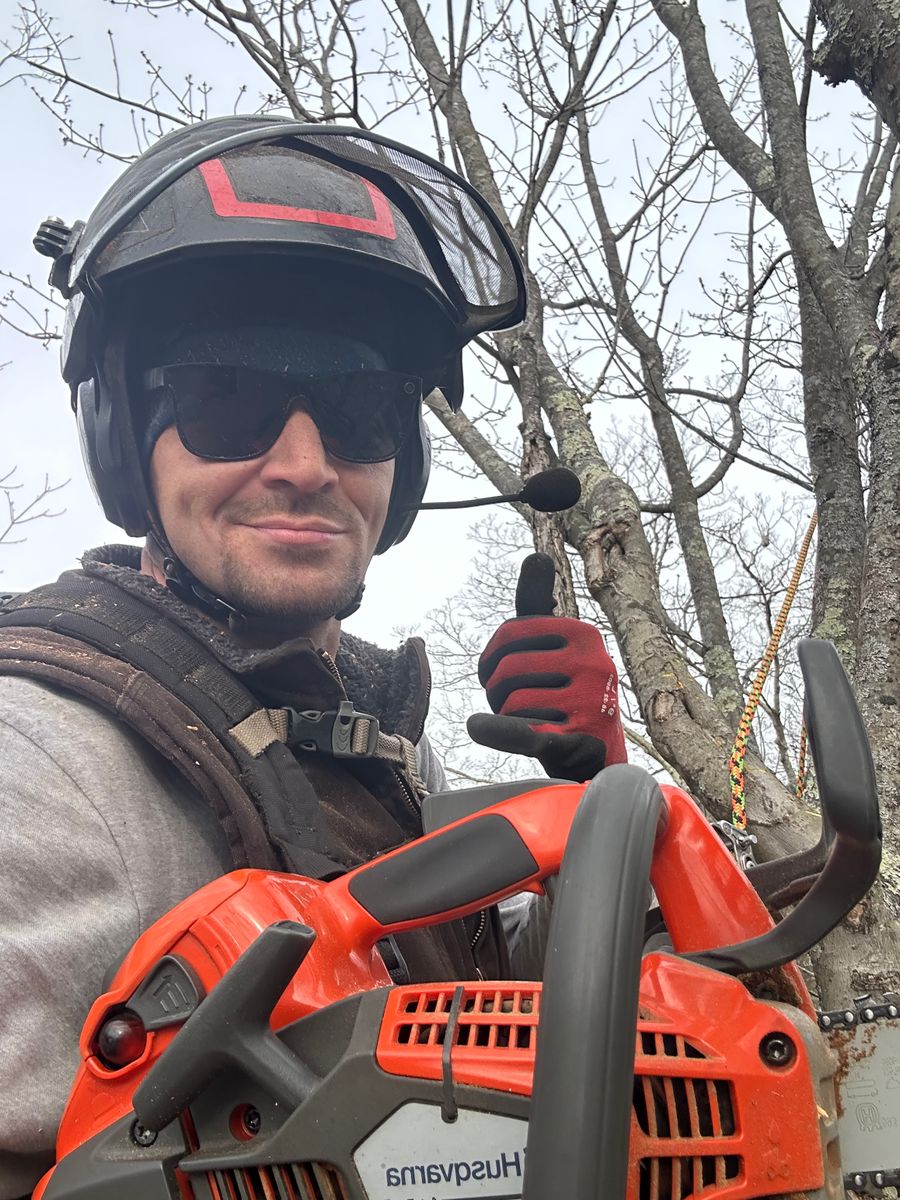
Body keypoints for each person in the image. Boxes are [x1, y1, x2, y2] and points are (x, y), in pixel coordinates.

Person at [0, 116, 627, 1198]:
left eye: (356, 409)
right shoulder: (38, 755)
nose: (302, 465)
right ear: (122, 443)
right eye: (224, 399)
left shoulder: (383, 747)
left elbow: (523, 1049)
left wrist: (595, 804)